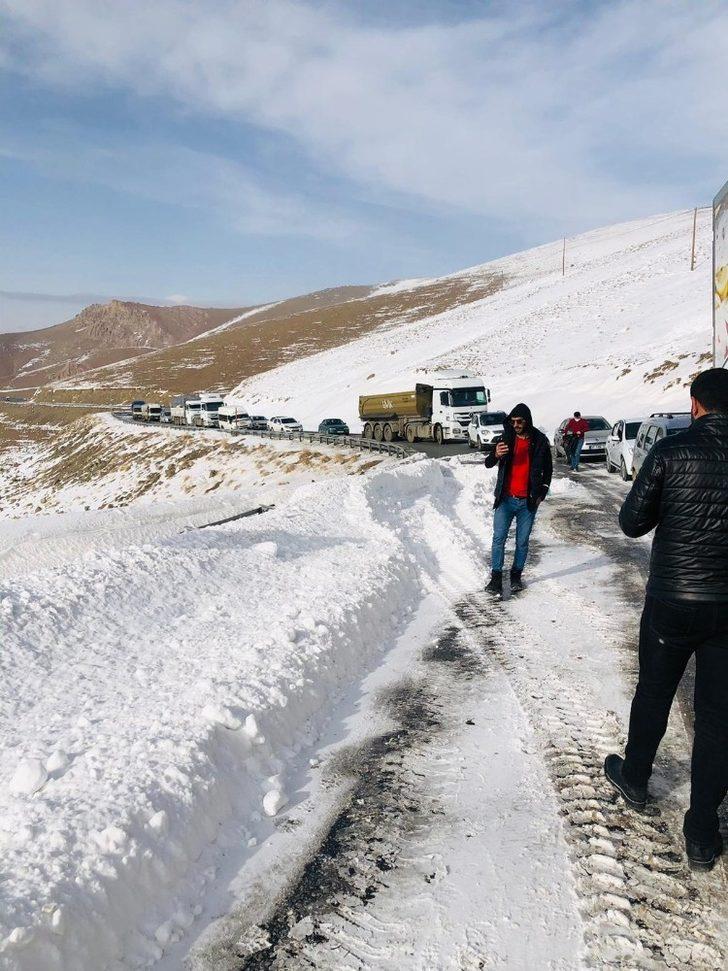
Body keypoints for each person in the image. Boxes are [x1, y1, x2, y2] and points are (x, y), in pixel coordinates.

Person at [604, 368, 728, 871]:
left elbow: (632, 523)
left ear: (695, 404)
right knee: (719, 719)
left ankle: (635, 777)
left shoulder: (672, 451)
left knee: (654, 693)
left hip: (674, 600)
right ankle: (701, 832)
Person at [483, 403, 552, 595]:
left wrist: (542, 493)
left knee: (522, 542)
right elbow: (488, 463)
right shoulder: (505, 438)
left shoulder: (540, 441)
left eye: (519, 421)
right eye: (512, 421)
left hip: (528, 502)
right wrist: (496, 454)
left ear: (527, 421)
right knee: (498, 539)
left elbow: (548, 470)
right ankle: (496, 578)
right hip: (505, 499)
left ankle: (516, 576)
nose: (516, 425)